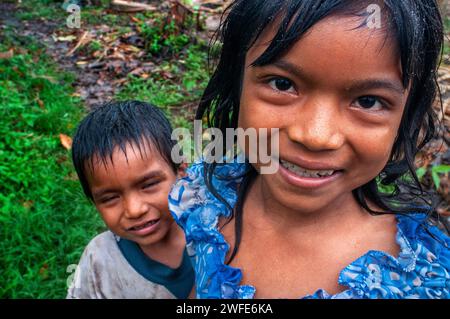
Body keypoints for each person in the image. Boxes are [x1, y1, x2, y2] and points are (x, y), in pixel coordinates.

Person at [169, 0, 450, 299]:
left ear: (405, 118)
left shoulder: (419, 281)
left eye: (368, 102)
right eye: (282, 84)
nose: (316, 136)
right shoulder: (211, 197)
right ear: (237, 81)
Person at [67, 101, 194, 299]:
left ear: (180, 172)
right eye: (110, 198)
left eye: (149, 185)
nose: (134, 210)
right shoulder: (98, 261)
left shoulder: (221, 231)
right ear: (93, 201)